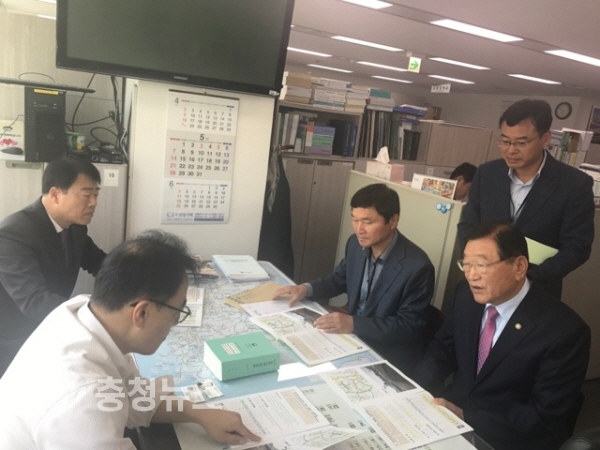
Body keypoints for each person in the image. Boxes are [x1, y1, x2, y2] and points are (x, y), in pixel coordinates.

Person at [0, 230, 260, 449]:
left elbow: (132, 396)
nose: (175, 324)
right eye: (177, 312)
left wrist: (199, 413)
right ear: (142, 312)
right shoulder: (84, 403)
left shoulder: (84, 315)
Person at [414, 221, 590, 450]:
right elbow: (442, 350)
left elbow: (544, 416)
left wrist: (466, 415)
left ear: (519, 266)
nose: (471, 275)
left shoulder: (565, 331)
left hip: (507, 438)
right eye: (465, 264)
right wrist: (412, 391)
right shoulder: (465, 296)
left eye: (481, 265)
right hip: (450, 416)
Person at [273, 183, 435, 374]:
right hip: (350, 339)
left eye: (367, 222)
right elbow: (338, 279)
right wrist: (305, 289)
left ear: (393, 221)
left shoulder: (417, 266)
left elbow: (408, 326)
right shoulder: (355, 245)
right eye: (355, 220)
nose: (359, 229)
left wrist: (353, 324)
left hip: (385, 352)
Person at [457, 98, 595, 299]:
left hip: (537, 289)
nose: (511, 150)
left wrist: (523, 279)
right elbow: (468, 225)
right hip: (482, 282)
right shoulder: (487, 174)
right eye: (505, 141)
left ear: (546, 138)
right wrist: (474, 265)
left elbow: (577, 247)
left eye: (521, 143)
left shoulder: (574, 185)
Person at [0, 157, 107, 376]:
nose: (93, 203)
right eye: (86, 195)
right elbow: (34, 300)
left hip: (51, 326)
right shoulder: (13, 233)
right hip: (15, 339)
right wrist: (100, 316)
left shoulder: (75, 227)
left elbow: (99, 262)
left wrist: (134, 278)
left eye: (96, 195)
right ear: (56, 194)